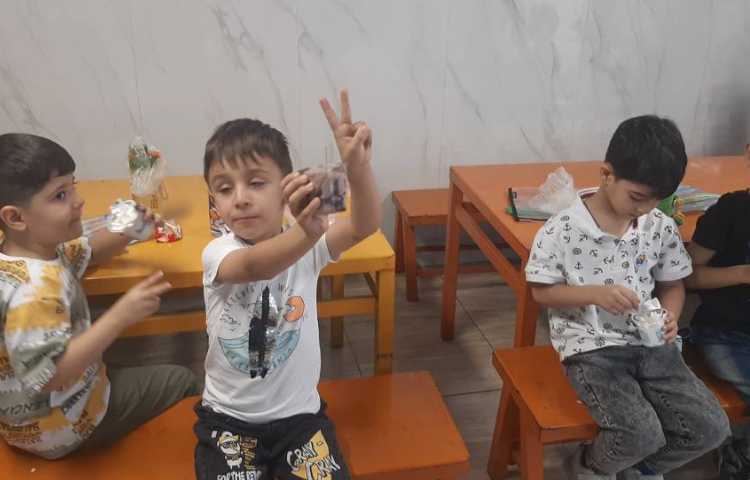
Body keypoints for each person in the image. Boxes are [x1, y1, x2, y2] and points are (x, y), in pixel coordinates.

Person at [524, 116, 730, 479]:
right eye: (636, 197)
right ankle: (589, 465)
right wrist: (595, 294)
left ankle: (635, 470)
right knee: (640, 433)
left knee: (712, 428)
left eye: (656, 201)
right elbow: (541, 291)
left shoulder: (659, 226)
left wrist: (670, 316)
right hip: (592, 347)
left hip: (651, 344)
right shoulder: (563, 230)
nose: (644, 209)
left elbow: (672, 285)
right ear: (606, 175)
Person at [194, 90, 381, 479]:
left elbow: (364, 226)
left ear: (286, 188)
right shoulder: (219, 252)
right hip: (229, 422)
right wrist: (307, 232)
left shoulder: (309, 241)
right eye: (225, 189)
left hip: (300, 421)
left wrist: (358, 169)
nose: (240, 199)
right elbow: (255, 266)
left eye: (255, 182)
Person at [0, 133, 199, 459]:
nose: (77, 201)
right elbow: (49, 375)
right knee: (183, 379)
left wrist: (131, 230)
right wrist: (120, 316)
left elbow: (87, 250)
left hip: (25, 417)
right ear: (16, 217)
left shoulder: (27, 254)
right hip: (62, 428)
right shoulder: (34, 293)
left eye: (73, 187)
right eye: (60, 195)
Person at [684, 144, 750, 479]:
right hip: (725, 335)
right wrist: (743, 273)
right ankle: (738, 450)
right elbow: (687, 276)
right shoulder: (732, 211)